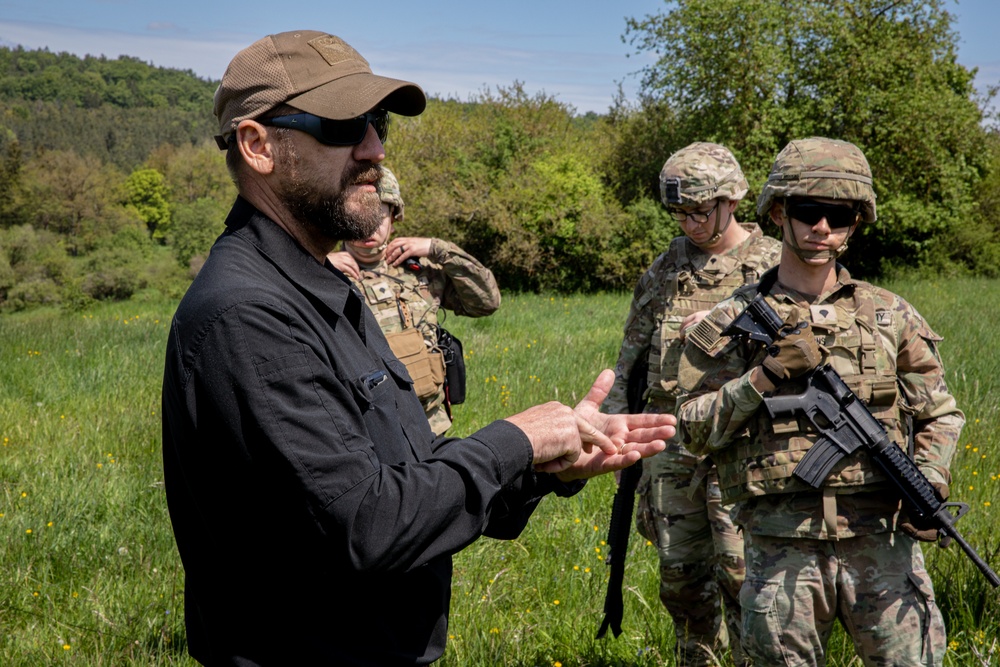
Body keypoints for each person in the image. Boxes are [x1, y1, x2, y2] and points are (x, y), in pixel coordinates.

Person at [160, 30, 675, 667]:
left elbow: (408, 476)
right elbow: (367, 527)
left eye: (375, 122)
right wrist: (515, 441)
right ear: (259, 146)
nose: (374, 148)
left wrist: (543, 465)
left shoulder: (321, 287)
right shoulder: (249, 314)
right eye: (344, 124)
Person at [674, 137, 963, 666]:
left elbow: (940, 413)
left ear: (857, 222)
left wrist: (931, 479)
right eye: (809, 211)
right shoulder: (733, 322)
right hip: (782, 551)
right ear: (779, 213)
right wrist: (762, 378)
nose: (822, 228)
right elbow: (690, 428)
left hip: (882, 544)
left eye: (841, 215)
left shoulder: (890, 315)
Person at [604, 142, 780, 666]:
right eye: (678, 213)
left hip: (742, 446)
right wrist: (618, 428)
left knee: (742, 576)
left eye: (698, 211)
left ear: (731, 201)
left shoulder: (772, 266)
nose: (688, 223)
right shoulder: (667, 268)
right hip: (671, 444)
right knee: (680, 578)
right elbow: (632, 351)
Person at [328, 166, 500, 434]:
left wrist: (438, 249)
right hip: (365, 428)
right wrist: (313, 267)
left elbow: (487, 301)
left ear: (394, 218)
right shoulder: (322, 271)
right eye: (357, 213)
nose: (367, 225)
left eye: (378, 214)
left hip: (430, 423)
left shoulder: (420, 271)